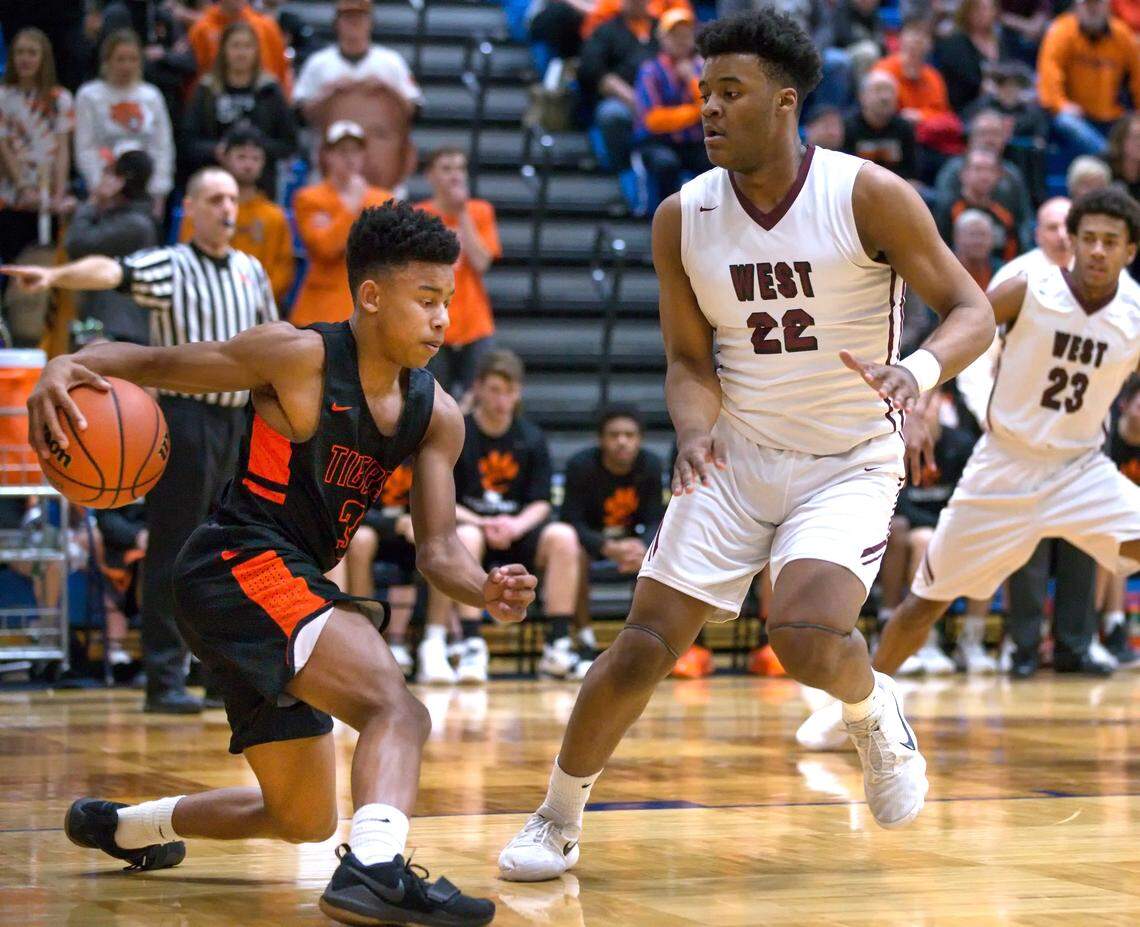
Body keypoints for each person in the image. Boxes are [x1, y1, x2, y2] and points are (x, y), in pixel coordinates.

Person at [498, 9, 994, 882]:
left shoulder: (866, 193)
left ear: (786, 102)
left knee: (802, 633)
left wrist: (917, 370)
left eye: (731, 91)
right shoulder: (681, 217)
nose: (710, 109)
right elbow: (690, 360)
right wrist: (693, 432)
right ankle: (557, 817)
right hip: (734, 455)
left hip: (846, 458)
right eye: (705, 93)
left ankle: (872, 710)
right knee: (643, 644)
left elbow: (972, 310)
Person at [22, 201, 531, 927]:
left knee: (302, 816)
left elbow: (439, 550)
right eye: (426, 299)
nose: (443, 318)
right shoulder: (298, 358)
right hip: (237, 558)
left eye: (448, 300)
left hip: (275, 584)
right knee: (396, 707)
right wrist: (62, 365)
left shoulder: (436, 413)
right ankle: (376, 871)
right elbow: (154, 363)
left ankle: (125, 826)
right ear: (371, 295)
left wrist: (486, 588)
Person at [797, 188, 1140, 743]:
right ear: (1072, 242)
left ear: (1129, 250)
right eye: (1089, 238)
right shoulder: (1031, 287)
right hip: (1004, 468)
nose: (1098, 250)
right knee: (925, 601)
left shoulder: (1134, 313)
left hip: (1081, 470)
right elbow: (967, 327)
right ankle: (853, 710)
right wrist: (921, 391)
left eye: (1111, 241)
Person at [4, 167, 278, 714]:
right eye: (214, 198)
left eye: (231, 199)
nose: (227, 208)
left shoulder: (251, 270)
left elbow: (274, 341)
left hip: (238, 422)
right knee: (176, 548)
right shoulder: (171, 265)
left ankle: (220, 672)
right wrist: (56, 277)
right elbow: (110, 270)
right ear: (190, 209)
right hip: (182, 419)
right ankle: (164, 676)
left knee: (231, 551)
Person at [424, 349, 583, 683]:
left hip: (518, 532)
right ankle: (471, 643)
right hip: (473, 528)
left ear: (518, 393)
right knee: (466, 537)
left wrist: (515, 525)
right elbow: (441, 499)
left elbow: (541, 502)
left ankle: (558, 645)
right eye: (495, 390)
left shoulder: (531, 437)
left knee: (564, 537)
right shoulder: (459, 432)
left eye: (509, 392)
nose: (501, 400)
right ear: (478, 388)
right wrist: (482, 522)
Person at [562, 405, 666, 667]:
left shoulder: (651, 465)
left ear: (639, 439)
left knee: (659, 556)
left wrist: (642, 546)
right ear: (601, 439)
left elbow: (655, 519)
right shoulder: (580, 466)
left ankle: (642, 639)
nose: (622, 441)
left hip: (633, 543)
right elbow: (571, 521)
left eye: (629, 435)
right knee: (572, 555)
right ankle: (584, 637)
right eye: (614, 435)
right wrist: (607, 546)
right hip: (591, 543)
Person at [416, 148, 501, 402]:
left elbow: (481, 262)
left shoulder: (480, 211)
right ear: (430, 176)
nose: (455, 176)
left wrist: (462, 212)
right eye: (446, 169)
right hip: (432, 322)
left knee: (478, 400)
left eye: (460, 168)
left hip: (475, 323)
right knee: (432, 400)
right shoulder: (419, 215)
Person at [290, 120, 392, 327]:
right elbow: (326, 248)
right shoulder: (309, 198)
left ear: (363, 156)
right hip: (321, 310)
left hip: (368, 307)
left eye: (355, 151)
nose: (349, 158)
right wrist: (352, 206)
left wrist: (335, 224)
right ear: (327, 155)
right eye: (342, 151)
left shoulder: (383, 199)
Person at [180, 127, 295, 305]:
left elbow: (284, 268)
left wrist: (256, 297)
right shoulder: (202, 208)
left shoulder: (274, 215)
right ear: (223, 157)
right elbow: (188, 253)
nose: (248, 165)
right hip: (207, 301)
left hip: (259, 304)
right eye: (241, 157)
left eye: (255, 158)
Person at [181, 21, 296, 196]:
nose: (241, 53)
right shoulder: (207, 89)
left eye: (247, 46)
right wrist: (219, 150)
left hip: (261, 186)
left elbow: (289, 143)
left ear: (257, 51)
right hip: (214, 181)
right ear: (223, 50)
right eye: (235, 46)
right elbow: (188, 141)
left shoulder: (270, 89)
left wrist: (253, 152)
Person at [330, 460, 420, 677]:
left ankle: (403, 641)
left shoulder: (421, 451)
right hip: (365, 527)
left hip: (406, 534)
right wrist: (394, 524)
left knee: (434, 542)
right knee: (361, 539)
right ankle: (356, 631)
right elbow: (344, 504)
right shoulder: (361, 452)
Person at [74, 30, 174, 216]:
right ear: (107, 61)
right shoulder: (89, 96)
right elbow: (85, 147)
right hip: (105, 187)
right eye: (120, 59)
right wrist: (100, 186)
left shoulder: (152, 96)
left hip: (146, 190)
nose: (127, 66)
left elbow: (162, 147)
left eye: (133, 59)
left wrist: (158, 191)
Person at [65, 149, 157, 346]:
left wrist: (93, 202)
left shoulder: (134, 224)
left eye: (108, 173)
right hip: (109, 325)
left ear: (120, 181)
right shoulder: (132, 217)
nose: (102, 179)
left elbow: (76, 243)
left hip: (118, 329)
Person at [0, 27, 75, 270]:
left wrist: (58, 193)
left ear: (44, 58)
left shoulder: (61, 99)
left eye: (32, 53)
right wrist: (23, 186)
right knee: (13, 261)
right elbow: (3, 144)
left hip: (48, 191)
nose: (25, 59)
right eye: (20, 52)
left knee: (45, 263)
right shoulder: (3, 96)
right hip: (12, 193)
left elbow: (63, 148)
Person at [1037, 0, 1140, 158]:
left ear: (1108, 6)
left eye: (1097, 4)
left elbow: (1138, 78)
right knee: (1067, 122)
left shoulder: (1123, 34)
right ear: (1077, 6)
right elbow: (1049, 76)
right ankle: (1109, 159)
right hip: (1077, 117)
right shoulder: (1061, 31)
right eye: (1087, 4)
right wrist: (1060, 104)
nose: (1092, 9)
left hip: (1112, 117)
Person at [293, 0, 423, 125]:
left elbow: (414, 111)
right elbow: (299, 116)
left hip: (379, 137)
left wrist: (388, 88)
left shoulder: (391, 62)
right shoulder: (318, 63)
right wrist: (328, 92)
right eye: (348, 17)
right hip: (330, 137)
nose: (354, 23)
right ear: (336, 23)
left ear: (371, 22)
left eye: (360, 17)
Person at [632, 8, 710, 203]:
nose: (681, 40)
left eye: (686, 34)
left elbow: (712, 111)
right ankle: (661, 216)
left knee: (720, 164)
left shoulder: (703, 69)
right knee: (665, 164)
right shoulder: (650, 70)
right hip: (658, 143)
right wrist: (696, 112)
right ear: (663, 38)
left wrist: (692, 80)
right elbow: (654, 120)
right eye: (675, 35)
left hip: (695, 143)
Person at [577, 0, 659, 173]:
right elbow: (592, 70)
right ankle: (624, 170)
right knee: (612, 114)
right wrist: (635, 99)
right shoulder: (606, 30)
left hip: (664, 98)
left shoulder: (662, 29)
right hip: (622, 99)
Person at [188, 0, 291, 96]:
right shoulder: (201, 30)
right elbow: (193, 78)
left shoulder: (266, 28)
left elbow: (282, 73)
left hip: (262, 101)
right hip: (215, 100)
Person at [938, 148, 1023, 264]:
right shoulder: (947, 211)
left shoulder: (1005, 215)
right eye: (978, 169)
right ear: (964, 174)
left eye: (990, 170)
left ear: (998, 175)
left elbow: (1013, 258)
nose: (984, 176)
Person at [843, 71, 916, 179]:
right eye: (878, 90)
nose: (885, 97)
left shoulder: (904, 127)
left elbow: (912, 171)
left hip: (896, 185)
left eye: (890, 91)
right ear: (862, 96)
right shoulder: (847, 127)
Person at [933, 0, 1001, 113]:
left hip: (1001, 101)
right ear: (967, 11)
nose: (984, 13)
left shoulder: (1003, 41)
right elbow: (966, 78)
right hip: (966, 106)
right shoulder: (955, 42)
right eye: (978, 9)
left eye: (989, 8)